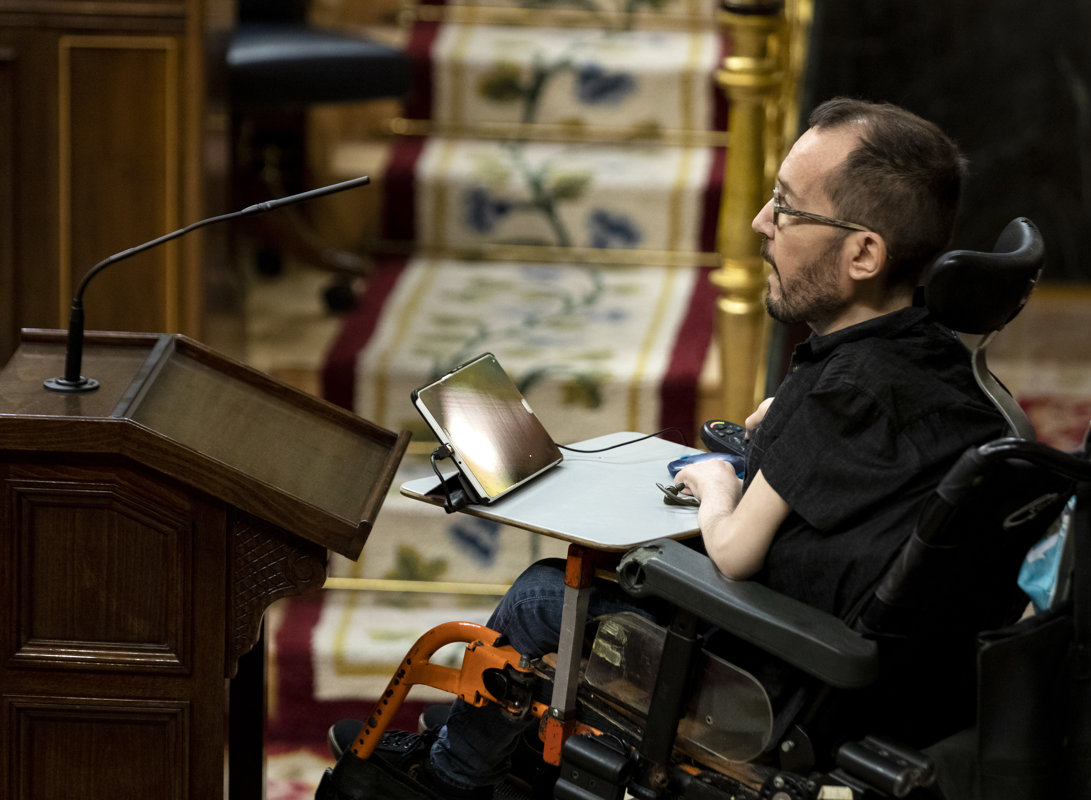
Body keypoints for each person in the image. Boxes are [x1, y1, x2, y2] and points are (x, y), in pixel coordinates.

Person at [326, 98, 1009, 799]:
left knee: (540, 598)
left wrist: (716, 482)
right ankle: (501, 747)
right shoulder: (935, 360)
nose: (760, 222)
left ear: (863, 253)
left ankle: (448, 778)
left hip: (764, 682)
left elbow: (735, 552)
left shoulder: (840, 392)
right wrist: (784, 428)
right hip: (876, 687)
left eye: (786, 207)